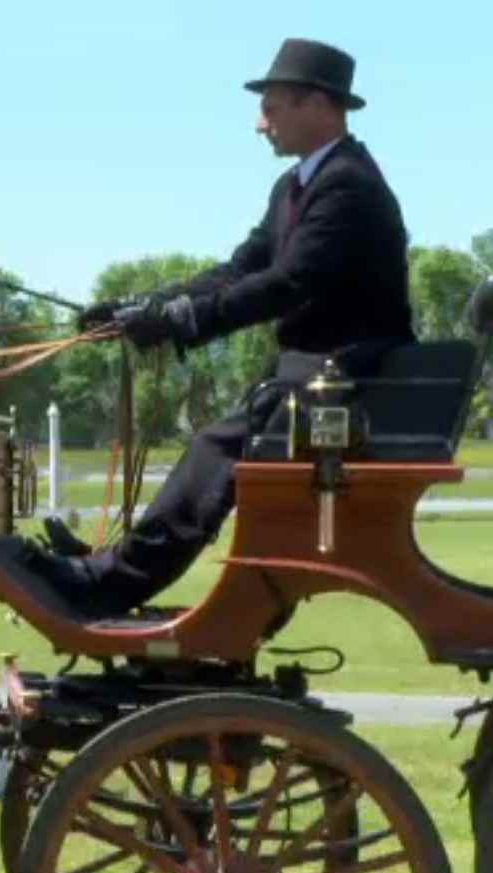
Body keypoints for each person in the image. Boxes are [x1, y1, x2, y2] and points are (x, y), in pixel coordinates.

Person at [24, 38, 413, 617]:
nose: (261, 125)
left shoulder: (348, 184)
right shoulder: (295, 187)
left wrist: (182, 321)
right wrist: (145, 306)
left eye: (272, 107)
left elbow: (289, 282)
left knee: (215, 444)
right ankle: (113, 567)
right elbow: (241, 269)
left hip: (348, 378)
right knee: (215, 440)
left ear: (318, 104)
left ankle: (110, 582)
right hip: (311, 373)